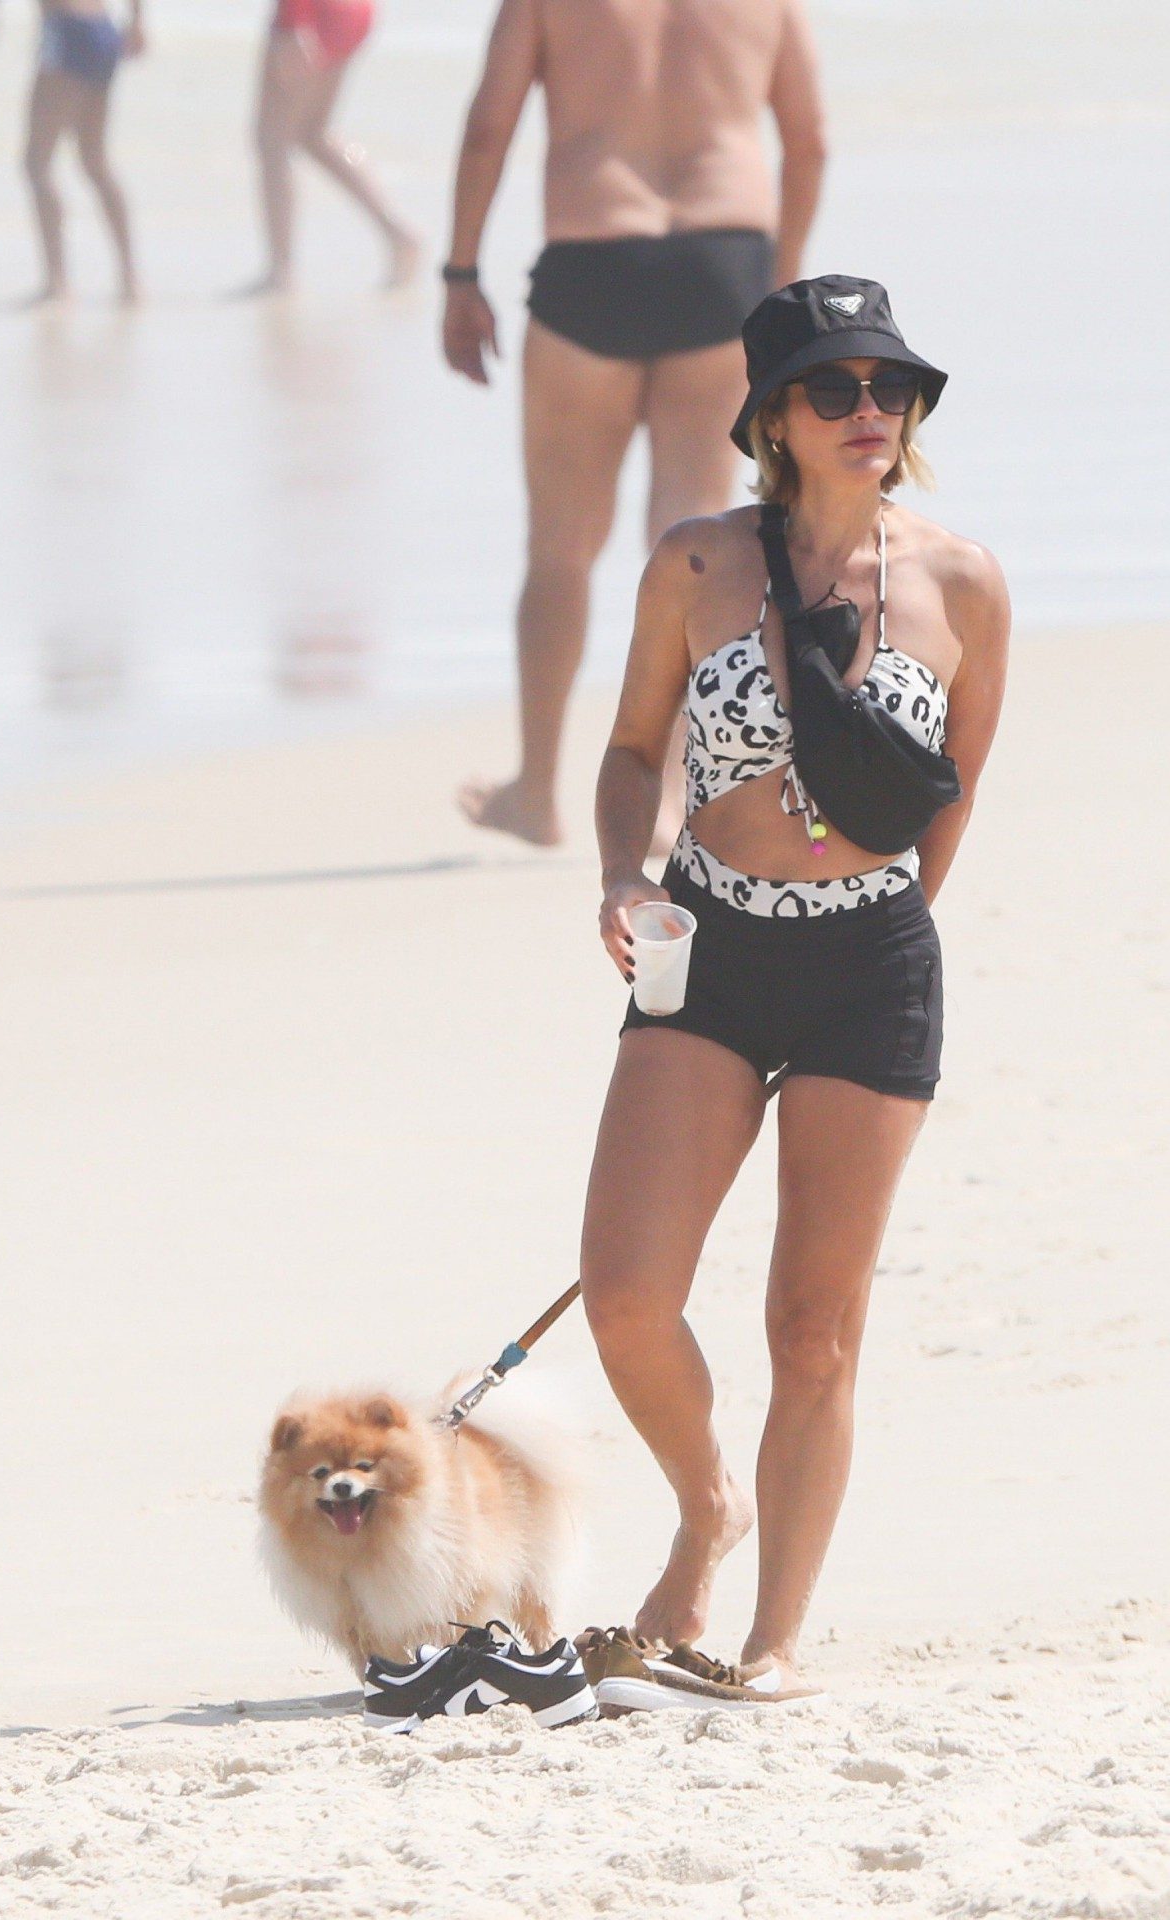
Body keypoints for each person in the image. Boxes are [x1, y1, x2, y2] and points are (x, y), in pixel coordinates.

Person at [581, 277, 1010, 1691]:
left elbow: (945, 799)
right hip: (704, 946)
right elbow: (633, 750)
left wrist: (866, 938)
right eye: (833, 390)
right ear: (771, 416)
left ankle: (766, 1641)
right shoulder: (694, 564)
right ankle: (707, 1501)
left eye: (889, 388)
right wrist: (621, 876)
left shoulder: (960, 584)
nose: (868, 411)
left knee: (810, 1326)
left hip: (867, 966)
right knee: (624, 1294)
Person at [443, 0, 826, 849]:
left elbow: (486, 128)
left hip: (592, 266)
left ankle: (537, 791)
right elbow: (808, 142)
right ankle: (666, 801)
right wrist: (781, 287)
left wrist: (460, 271)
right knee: (690, 547)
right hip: (722, 271)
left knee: (559, 548)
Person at [0, 0, 145, 304]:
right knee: (95, 162)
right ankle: (130, 279)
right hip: (103, 29)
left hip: (67, 29)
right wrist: (137, 20)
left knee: (37, 163)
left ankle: (58, 283)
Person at [250, 0, 420, 295]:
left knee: (273, 143)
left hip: (309, 12)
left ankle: (280, 273)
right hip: (353, 11)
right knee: (312, 133)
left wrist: (295, 21)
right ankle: (397, 232)